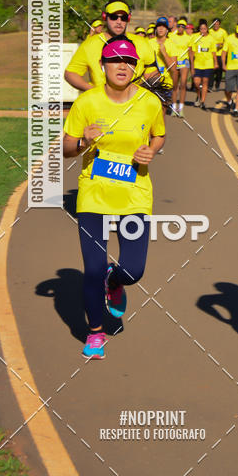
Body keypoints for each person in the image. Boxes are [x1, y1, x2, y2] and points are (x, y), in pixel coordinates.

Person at [63, 36, 165, 358]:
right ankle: (95, 332)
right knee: (92, 269)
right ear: (103, 65)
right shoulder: (87, 102)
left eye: (130, 61)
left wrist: (152, 150)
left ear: (135, 67)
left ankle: (115, 278)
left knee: (134, 270)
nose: (123, 65)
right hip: (94, 196)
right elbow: (66, 149)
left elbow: (159, 135)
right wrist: (82, 143)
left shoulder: (149, 103)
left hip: (135, 195)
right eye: (115, 60)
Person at [64, 0, 156, 93]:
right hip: (100, 105)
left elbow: (152, 73)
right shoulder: (90, 44)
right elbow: (71, 73)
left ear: (128, 19)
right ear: (105, 17)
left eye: (123, 17)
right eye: (113, 17)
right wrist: (92, 91)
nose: (119, 21)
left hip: (134, 103)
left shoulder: (142, 43)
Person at [190, 19, 217, 109]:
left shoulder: (211, 39)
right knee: (196, 83)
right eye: (201, 29)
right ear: (199, 29)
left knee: (205, 82)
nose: (203, 31)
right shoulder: (195, 37)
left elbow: (213, 52)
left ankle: (202, 102)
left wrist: (216, 63)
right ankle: (199, 95)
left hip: (208, 64)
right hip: (197, 63)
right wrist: (192, 67)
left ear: (207, 29)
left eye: (204, 29)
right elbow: (192, 53)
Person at [169, 18, 193, 116]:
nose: (180, 28)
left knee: (183, 84)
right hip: (175, 62)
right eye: (179, 26)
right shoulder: (171, 36)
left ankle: (181, 108)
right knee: (175, 85)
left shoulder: (188, 38)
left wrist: (193, 67)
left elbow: (190, 52)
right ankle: (174, 107)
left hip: (184, 62)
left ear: (185, 28)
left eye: (182, 27)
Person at [209, 17, 228, 90]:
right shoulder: (210, 31)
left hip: (220, 54)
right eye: (214, 24)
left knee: (219, 71)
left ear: (219, 25)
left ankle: (217, 84)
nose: (216, 26)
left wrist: (221, 45)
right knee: (211, 70)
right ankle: (210, 86)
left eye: (217, 24)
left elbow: (226, 42)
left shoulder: (223, 32)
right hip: (211, 54)